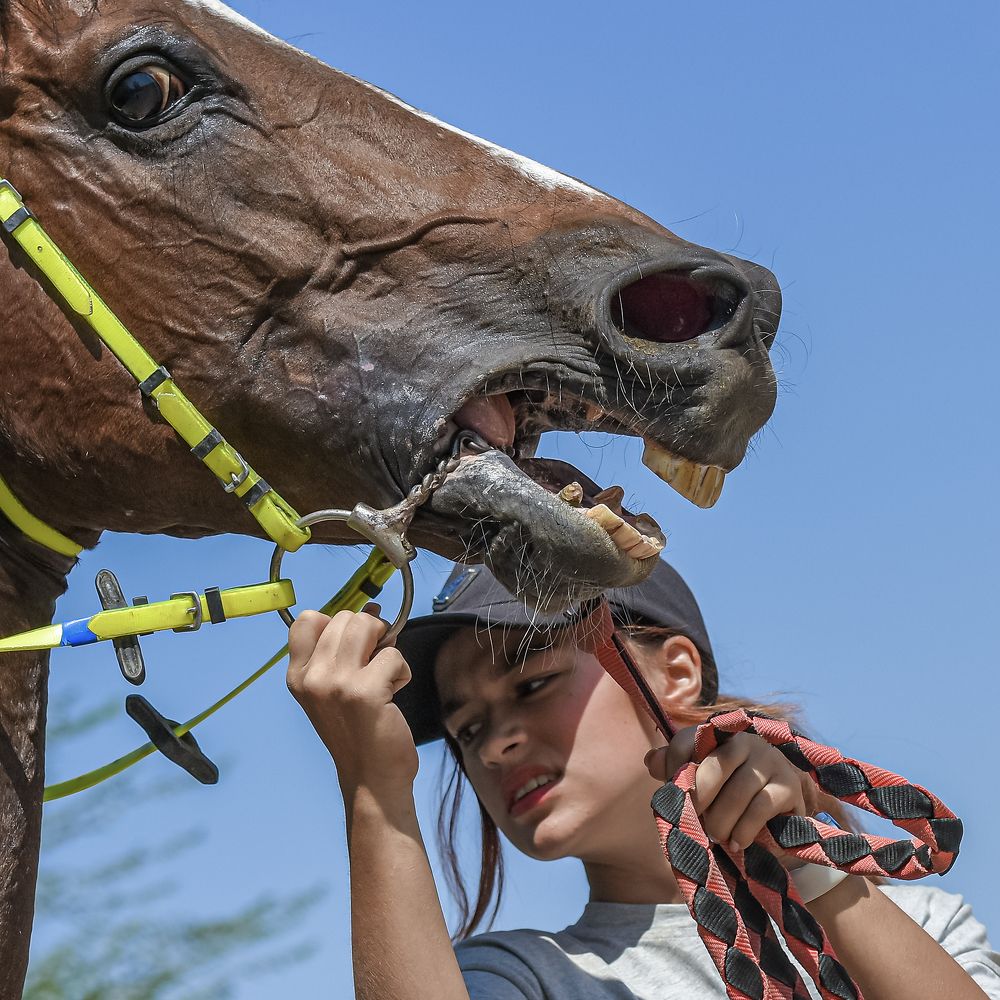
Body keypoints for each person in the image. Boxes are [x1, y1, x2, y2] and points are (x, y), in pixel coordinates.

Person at [286, 560, 999, 999]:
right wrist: (374, 797)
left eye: (533, 684)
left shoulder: (924, 926)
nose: (496, 745)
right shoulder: (518, 978)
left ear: (677, 673)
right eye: (466, 730)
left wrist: (813, 873)